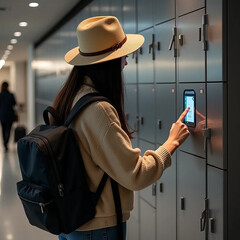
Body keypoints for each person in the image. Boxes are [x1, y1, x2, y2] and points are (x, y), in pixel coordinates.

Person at [54, 16, 190, 240]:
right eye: (123, 56)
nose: (126, 62)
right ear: (108, 63)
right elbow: (135, 175)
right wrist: (171, 143)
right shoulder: (98, 109)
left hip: (72, 222)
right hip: (97, 229)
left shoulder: (69, 98)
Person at [0, 81, 17, 152]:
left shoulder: (0, 95)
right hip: (10, 115)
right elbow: (14, 103)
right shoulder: (11, 95)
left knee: (3, 130)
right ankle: (6, 142)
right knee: (9, 130)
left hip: (2, 115)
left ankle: (5, 144)